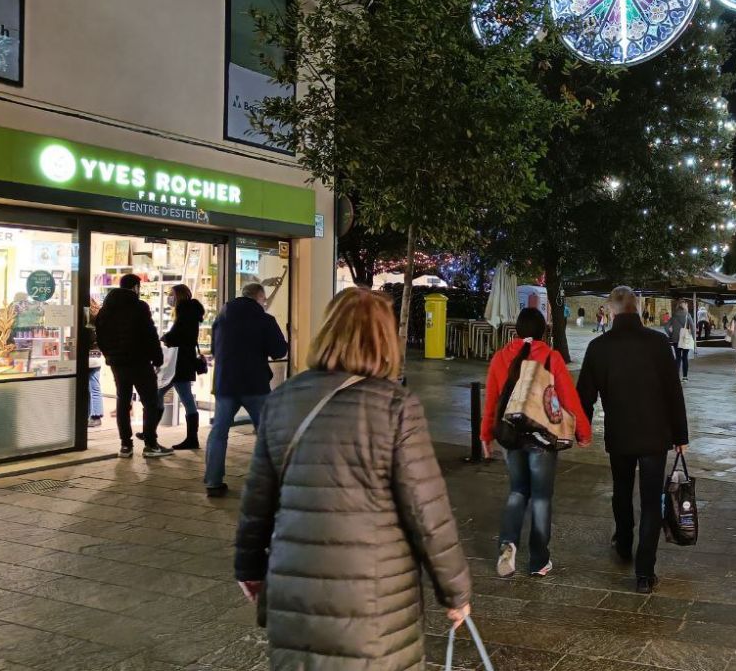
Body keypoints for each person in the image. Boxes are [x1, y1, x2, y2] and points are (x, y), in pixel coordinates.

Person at [234, 288, 472, 670]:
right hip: (374, 602)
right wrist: (455, 590)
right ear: (385, 339)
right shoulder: (395, 406)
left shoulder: (282, 400)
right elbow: (428, 512)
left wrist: (247, 569)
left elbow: (256, 502)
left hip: (294, 592)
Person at [578, 286, 688, 594]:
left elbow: (585, 395)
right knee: (652, 501)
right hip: (656, 434)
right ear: (638, 309)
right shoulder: (657, 343)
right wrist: (681, 435)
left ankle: (624, 542)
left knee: (622, 491)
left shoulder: (599, 347)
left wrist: (581, 430)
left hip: (620, 432)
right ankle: (644, 572)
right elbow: (672, 391)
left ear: (611, 311)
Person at [482, 309, 592, 578]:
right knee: (541, 498)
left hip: (511, 437)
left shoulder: (500, 358)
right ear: (544, 331)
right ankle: (539, 560)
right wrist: (583, 433)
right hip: (542, 439)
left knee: (517, 491)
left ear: (516, 331)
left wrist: (486, 436)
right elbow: (568, 399)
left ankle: (508, 543)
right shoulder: (551, 357)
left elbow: (492, 403)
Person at [204, 283, 289, 497]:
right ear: (259, 298)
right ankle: (271, 483)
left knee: (219, 433)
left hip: (225, 384)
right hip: (255, 384)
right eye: (264, 300)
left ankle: (213, 482)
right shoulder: (264, 320)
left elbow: (214, 349)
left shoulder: (221, 318)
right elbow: (279, 350)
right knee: (266, 434)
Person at [94, 274, 172, 458]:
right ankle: (151, 445)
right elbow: (150, 334)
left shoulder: (106, 308)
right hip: (139, 362)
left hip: (117, 363)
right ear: (136, 287)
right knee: (150, 402)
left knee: (123, 402)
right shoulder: (139, 306)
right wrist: (158, 358)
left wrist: (109, 356)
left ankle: (125, 446)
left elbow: (100, 335)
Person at [155, 285, 206, 450]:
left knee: (174, 395)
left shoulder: (185, 312)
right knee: (168, 394)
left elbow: (180, 335)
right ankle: (150, 431)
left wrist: (166, 337)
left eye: (172, 294)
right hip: (183, 361)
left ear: (179, 296)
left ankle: (191, 438)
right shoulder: (190, 312)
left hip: (180, 362)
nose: (170, 297)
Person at [666, 302, 696, 381]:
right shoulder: (687, 315)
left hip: (676, 339)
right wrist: (693, 338)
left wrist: (670, 334)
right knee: (685, 357)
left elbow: (666, 326)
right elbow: (693, 328)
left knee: (678, 357)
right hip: (685, 339)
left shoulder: (674, 316)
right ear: (685, 307)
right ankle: (685, 377)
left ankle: (676, 377)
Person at [86, 297, 104, 429]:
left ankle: (95, 415)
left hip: (88, 355)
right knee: (94, 386)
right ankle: (94, 415)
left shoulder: (87, 317)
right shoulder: (100, 315)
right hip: (97, 354)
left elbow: (89, 337)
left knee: (91, 386)